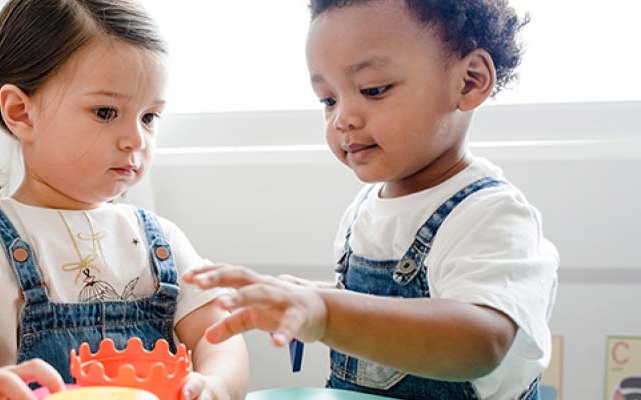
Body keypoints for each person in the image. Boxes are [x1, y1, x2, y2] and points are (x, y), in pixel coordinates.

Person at [0, 1, 248, 399]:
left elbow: (219, 335)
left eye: (149, 117)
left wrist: (216, 384)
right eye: (105, 111)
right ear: (21, 113)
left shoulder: (161, 241)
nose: (135, 139)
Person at [183, 1, 557, 399]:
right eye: (328, 99)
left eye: (373, 89)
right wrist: (311, 296)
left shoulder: (491, 215)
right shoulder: (364, 209)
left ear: (468, 81)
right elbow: (383, 305)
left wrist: (327, 312)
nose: (342, 118)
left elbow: (482, 342)